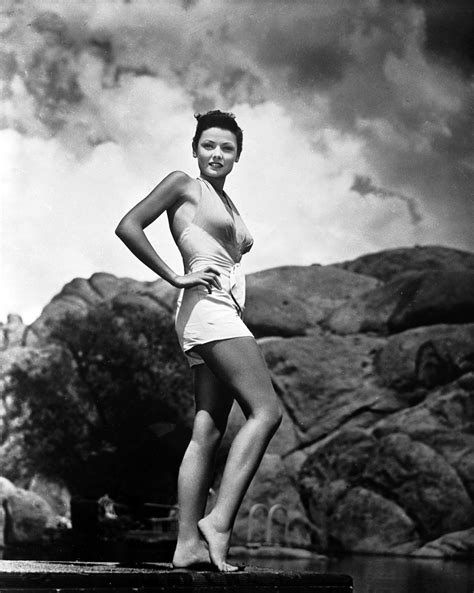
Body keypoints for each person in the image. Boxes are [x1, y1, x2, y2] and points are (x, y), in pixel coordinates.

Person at [115, 110, 282, 572]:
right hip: (208, 309)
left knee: (206, 431)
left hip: (216, 312)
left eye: (226, 148)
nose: (216, 154)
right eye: (208, 144)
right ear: (195, 149)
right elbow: (128, 225)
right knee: (267, 411)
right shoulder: (183, 183)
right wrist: (175, 275)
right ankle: (219, 522)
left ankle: (186, 545)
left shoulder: (227, 203)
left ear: (237, 157)